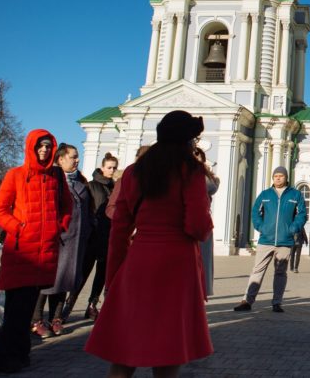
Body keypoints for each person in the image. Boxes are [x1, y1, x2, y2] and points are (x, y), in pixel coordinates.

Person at [84, 110, 214, 377]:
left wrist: (113, 278)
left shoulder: (134, 172)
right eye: (193, 139)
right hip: (177, 265)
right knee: (168, 348)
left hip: (140, 260)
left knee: (125, 347)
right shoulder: (190, 171)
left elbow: (119, 230)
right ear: (186, 141)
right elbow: (197, 227)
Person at [0, 130, 74, 374]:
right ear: (31, 148)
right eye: (40, 146)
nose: (44, 150)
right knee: (16, 308)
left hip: (45, 251)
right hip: (21, 252)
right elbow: (0, 209)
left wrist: (60, 226)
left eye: (48, 146)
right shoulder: (15, 175)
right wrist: (20, 228)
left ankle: (19, 354)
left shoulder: (56, 177)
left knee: (25, 308)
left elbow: (68, 207)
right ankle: (4, 359)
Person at [31, 143, 94, 338]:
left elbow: (89, 209)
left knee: (66, 279)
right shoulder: (52, 181)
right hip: (57, 239)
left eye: (77, 156)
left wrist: (90, 228)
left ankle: (56, 318)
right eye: (73, 156)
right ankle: (37, 320)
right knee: (47, 281)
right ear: (60, 159)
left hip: (76, 240)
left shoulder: (81, 182)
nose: (77, 160)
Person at [233, 166, 307, 312]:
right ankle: (247, 301)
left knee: (280, 273)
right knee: (257, 270)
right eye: (275, 176)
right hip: (265, 240)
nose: (278, 178)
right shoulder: (265, 194)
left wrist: (292, 229)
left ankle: (277, 302)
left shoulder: (295, 194)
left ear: (286, 178)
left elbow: (302, 214)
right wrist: (261, 227)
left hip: (285, 241)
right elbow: (255, 212)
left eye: (281, 176)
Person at [64, 152, 118, 322]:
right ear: (102, 167)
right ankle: (68, 305)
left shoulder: (115, 187)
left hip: (108, 237)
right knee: (83, 272)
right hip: (92, 237)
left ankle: (92, 305)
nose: (112, 170)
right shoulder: (91, 186)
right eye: (109, 167)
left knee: (101, 274)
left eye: (114, 168)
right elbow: (86, 209)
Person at [192, 147, 220, 297]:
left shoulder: (203, 177)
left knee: (202, 263)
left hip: (201, 225)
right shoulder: (198, 176)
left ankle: (199, 293)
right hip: (196, 225)